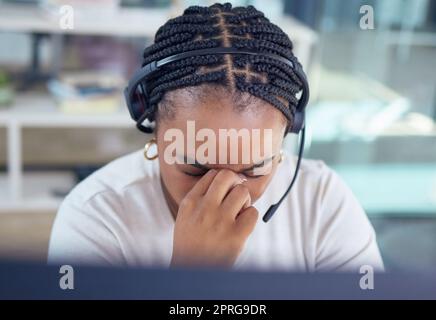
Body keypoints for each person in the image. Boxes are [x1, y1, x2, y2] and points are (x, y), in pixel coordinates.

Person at [48, 2, 384, 272]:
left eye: (254, 168)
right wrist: (190, 274)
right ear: (154, 133)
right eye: (194, 168)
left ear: (288, 134)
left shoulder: (323, 202)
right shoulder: (94, 216)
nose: (226, 190)